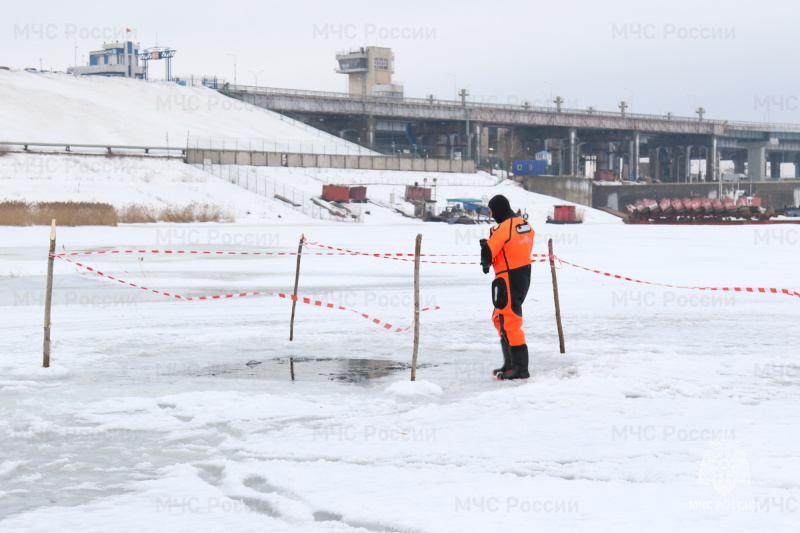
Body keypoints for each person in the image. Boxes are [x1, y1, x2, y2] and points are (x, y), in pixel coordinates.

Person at [480, 195, 533, 380]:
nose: (491, 214)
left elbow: (489, 251)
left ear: (497, 209)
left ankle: (520, 369)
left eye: (491, 210)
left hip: (508, 277)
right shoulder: (523, 224)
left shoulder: (504, 228)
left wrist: (485, 256)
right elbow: (512, 246)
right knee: (499, 317)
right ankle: (510, 363)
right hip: (522, 275)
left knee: (510, 320)